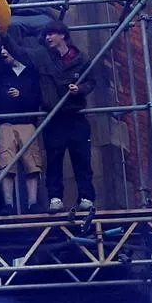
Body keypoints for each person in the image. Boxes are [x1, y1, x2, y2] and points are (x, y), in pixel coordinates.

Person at [36, 21, 96, 212]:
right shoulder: (46, 58)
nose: (48, 38)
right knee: (53, 160)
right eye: (46, 35)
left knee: (82, 158)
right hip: (54, 117)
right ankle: (55, 197)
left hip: (75, 115)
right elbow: (22, 52)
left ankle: (86, 197)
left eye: (51, 34)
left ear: (62, 35)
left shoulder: (82, 59)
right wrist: (4, 34)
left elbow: (92, 82)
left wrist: (79, 89)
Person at [0, 45, 44, 214]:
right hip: (6, 122)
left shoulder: (31, 73)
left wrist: (21, 95)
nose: (3, 53)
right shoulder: (1, 71)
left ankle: (33, 203)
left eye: (6, 49)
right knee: (6, 163)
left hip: (26, 121)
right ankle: (8, 203)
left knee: (32, 162)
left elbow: (38, 98)